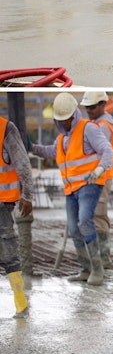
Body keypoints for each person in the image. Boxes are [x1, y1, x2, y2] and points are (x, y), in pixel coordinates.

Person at [31, 93, 113, 286]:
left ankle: (97, 269)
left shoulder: (88, 129)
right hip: (71, 189)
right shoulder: (62, 138)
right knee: (74, 229)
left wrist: (100, 168)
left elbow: (107, 150)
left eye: (68, 119)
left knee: (85, 222)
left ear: (74, 115)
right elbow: (51, 152)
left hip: (90, 184)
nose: (66, 123)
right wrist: (32, 147)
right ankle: (85, 269)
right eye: (61, 120)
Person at [1, 115, 34, 318]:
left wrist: (27, 195)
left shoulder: (5, 128)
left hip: (2, 203)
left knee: (8, 251)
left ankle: (21, 303)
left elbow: (23, 164)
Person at [81, 90, 113, 268]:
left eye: (93, 107)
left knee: (98, 215)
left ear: (103, 104)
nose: (89, 110)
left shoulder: (102, 126)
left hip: (102, 175)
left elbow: (102, 153)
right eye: (87, 107)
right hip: (96, 175)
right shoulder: (96, 123)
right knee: (96, 214)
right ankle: (102, 257)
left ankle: (104, 259)